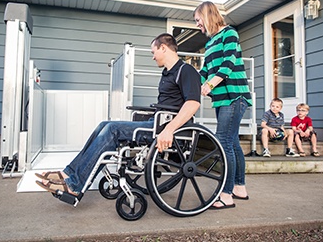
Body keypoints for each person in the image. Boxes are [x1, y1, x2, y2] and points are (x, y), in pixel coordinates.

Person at [36, 33, 201, 197]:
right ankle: (68, 173)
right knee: (104, 125)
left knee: (112, 129)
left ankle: (75, 184)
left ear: (163, 48)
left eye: (153, 52)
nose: (153, 57)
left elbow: (193, 103)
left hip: (165, 128)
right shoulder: (167, 73)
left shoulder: (186, 70)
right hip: (156, 123)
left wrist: (169, 130)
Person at [193, 1, 252, 210]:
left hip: (235, 97)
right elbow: (205, 71)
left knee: (224, 141)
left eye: (198, 20)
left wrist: (209, 84)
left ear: (207, 15)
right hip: (222, 99)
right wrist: (190, 83)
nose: (197, 24)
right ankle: (239, 187)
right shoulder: (209, 44)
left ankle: (226, 195)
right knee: (233, 142)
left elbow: (227, 65)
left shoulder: (230, 34)